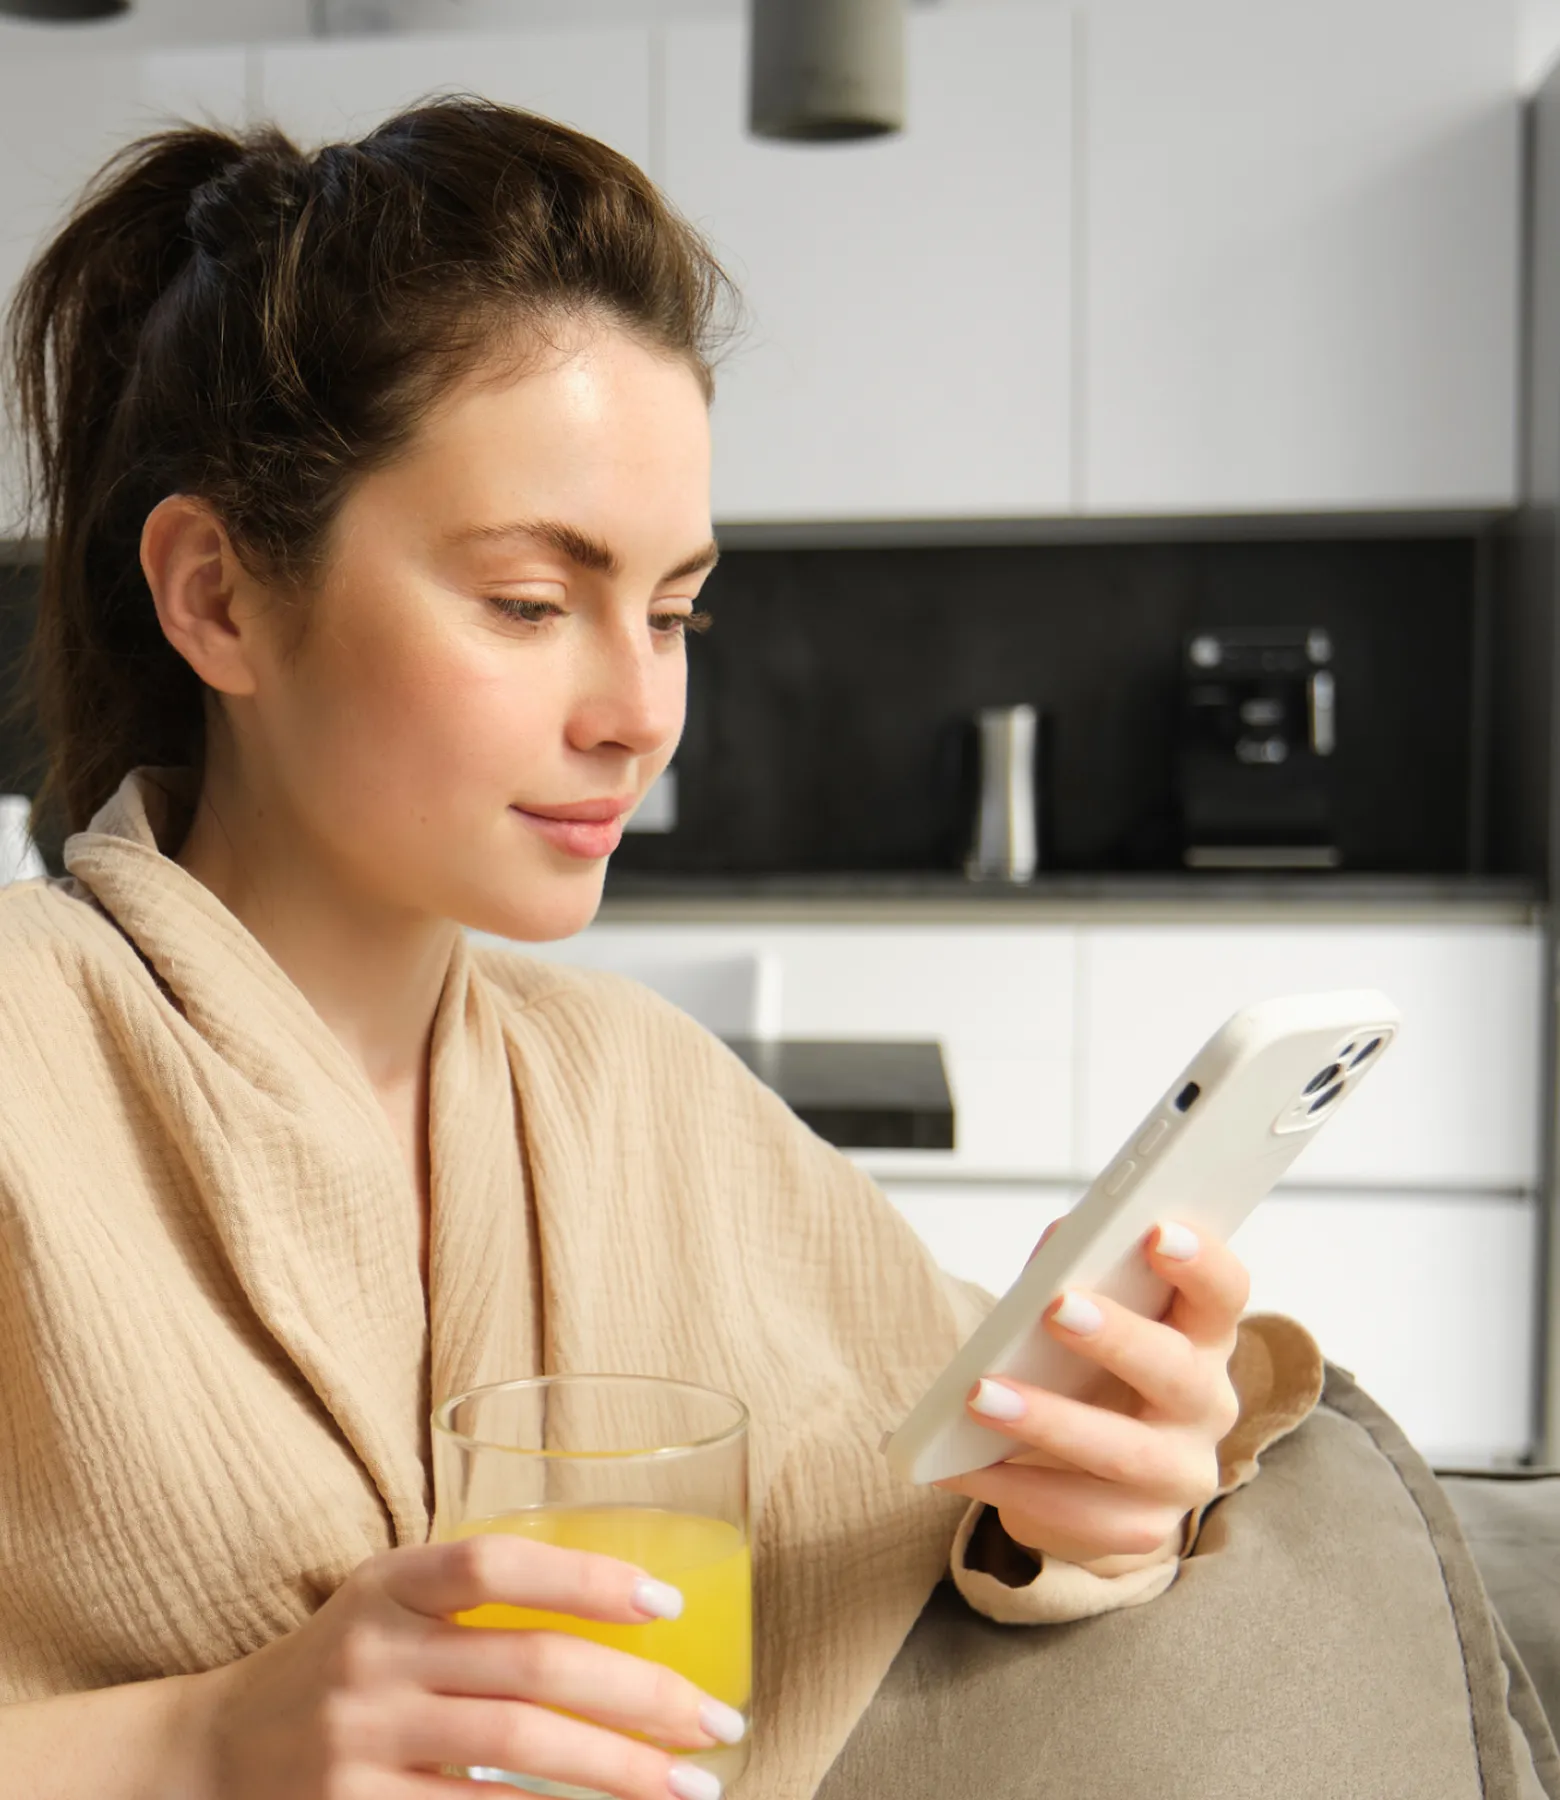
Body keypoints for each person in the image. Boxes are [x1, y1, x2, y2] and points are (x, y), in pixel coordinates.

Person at [0, 100, 1322, 1799]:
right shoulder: (29, 1059)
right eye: (531, 604)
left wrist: (1100, 1492)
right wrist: (199, 1737)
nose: (640, 713)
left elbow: (932, 1470)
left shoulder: (644, 1095)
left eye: (677, 610)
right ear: (220, 599)